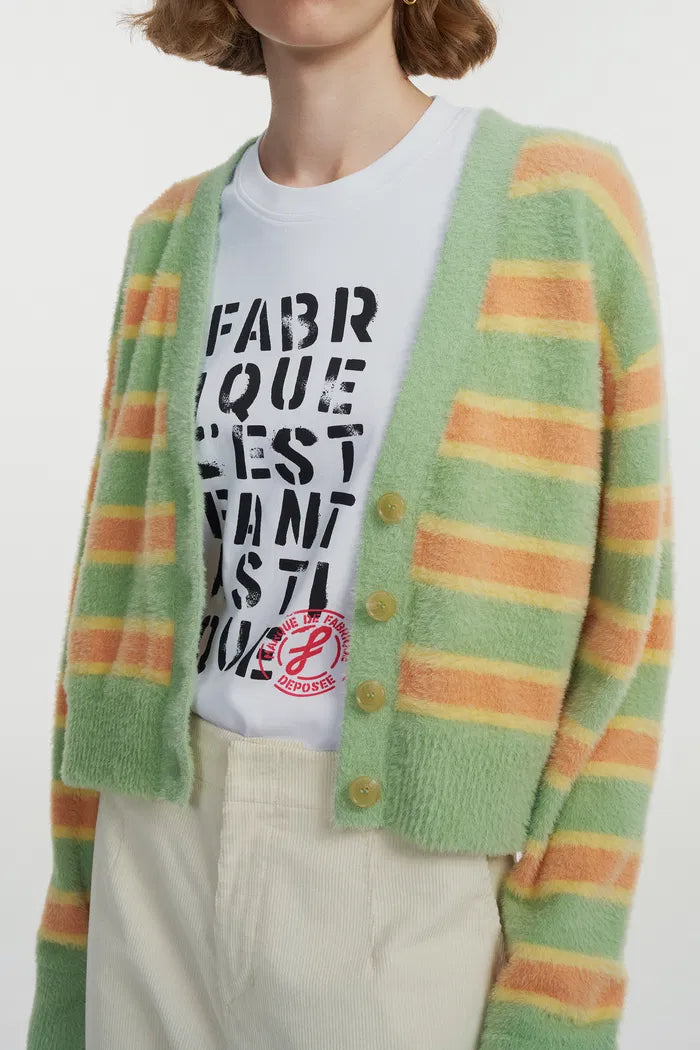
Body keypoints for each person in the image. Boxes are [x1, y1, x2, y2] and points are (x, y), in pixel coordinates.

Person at [26, 2, 674, 1049]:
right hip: (151, 863)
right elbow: (97, 624)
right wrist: (69, 956)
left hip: (399, 889)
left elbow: (628, 629)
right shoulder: (168, 237)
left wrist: (560, 993)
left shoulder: (558, 204)